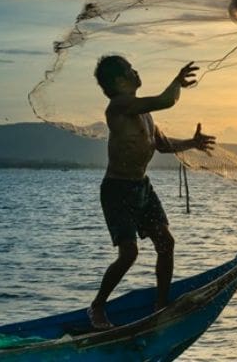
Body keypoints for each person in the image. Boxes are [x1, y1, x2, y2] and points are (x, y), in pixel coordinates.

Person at [87, 55, 215, 330]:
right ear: (120, 80)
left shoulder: (144, 113)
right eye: (131, 69)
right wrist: (177, 82)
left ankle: (160, 304)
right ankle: (97, 306)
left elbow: (163, 145)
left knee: (166, 243)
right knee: (129, 253)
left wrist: (192, 142)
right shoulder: (119, 106)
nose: (137, 71)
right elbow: (166, 100)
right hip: (117, 189)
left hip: (141, 187)